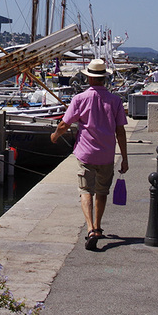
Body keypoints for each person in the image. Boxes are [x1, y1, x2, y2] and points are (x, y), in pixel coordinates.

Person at [50, 58, 128, 251]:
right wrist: (125, 158)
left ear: (89, 79)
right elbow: (120, 131)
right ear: (104, 78)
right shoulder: (115, 100)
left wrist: (55, 136)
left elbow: (64, 124)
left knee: (86, 191)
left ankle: (90, 228)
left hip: (86, 153)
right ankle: (98, 226)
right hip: (107, 155)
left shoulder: (80, 99)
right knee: (102, 192)